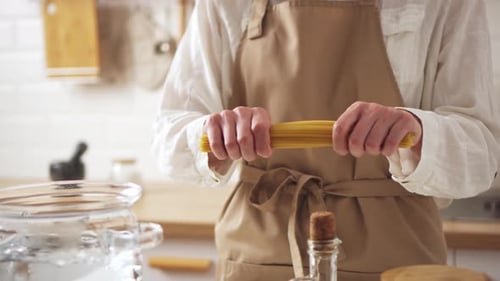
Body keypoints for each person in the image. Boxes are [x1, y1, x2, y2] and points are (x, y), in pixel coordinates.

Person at [153, 0, 500, 280]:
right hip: (258, 254)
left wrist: (418, 133)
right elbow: (169, 139)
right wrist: (213, 137)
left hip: (398, 261)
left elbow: (482, 154)